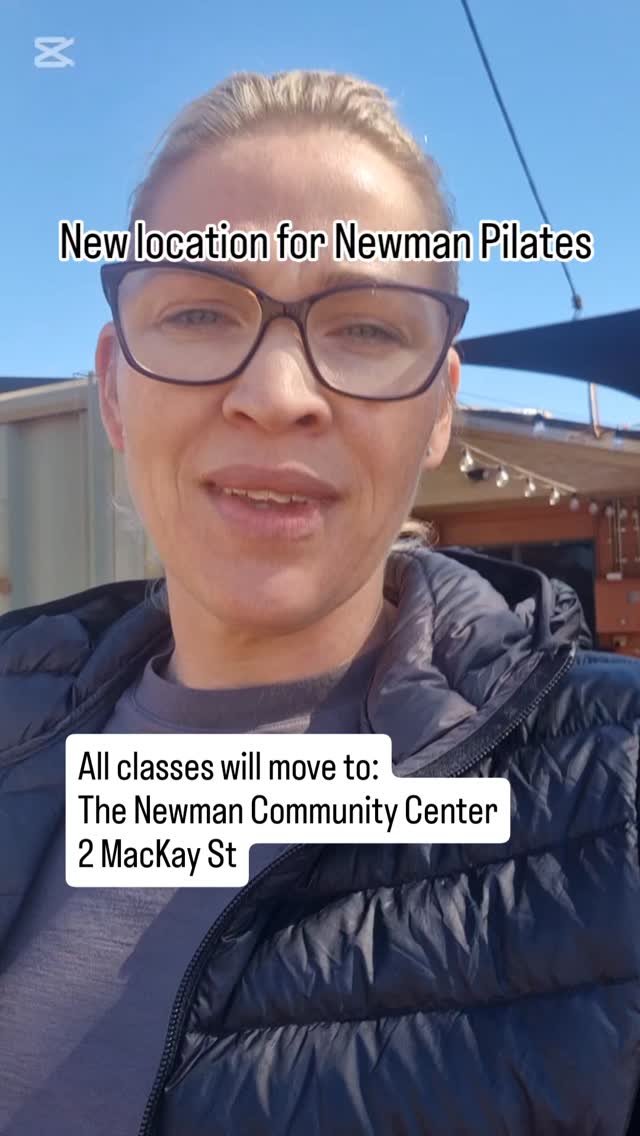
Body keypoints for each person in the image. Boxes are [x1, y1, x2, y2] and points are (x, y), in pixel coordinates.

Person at [1, 68, 639, 1136]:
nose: (278, 394)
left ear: (438, 409)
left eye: (365, 329)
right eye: (200, 310)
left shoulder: (616, 794)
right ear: (113, 386)